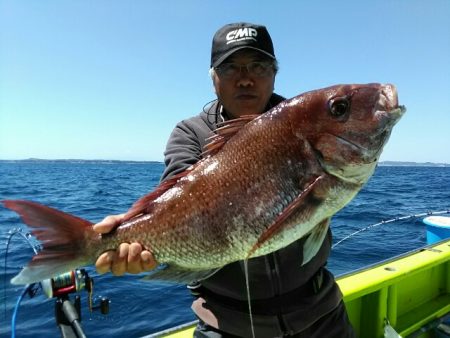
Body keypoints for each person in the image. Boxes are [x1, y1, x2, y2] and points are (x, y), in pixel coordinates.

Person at [94, 22, 356, 338]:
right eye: (230, 67)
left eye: (258, 66)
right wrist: (133, 230)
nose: (245, 78)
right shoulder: (190, 133)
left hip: (320, 315)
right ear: (213, 79)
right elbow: (177, 193)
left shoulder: (304, 122)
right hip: (226, 326)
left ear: (274, 73)